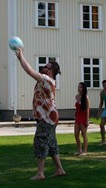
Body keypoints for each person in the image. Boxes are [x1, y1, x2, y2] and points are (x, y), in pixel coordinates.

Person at [14, 48, 66, 180]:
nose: (43, 68)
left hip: (47, 118)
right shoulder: (45, 81)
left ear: (50, 71)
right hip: (49, 117)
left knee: (40, 142)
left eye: (46, 67)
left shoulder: (46, 79)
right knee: (52, 144)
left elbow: (29, 71)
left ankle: (40, 173)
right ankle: (60, 169)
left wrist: (21, 56)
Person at [74, 82, 90, 156]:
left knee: (84, 134)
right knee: (76, 134)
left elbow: (87, 109)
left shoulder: (85, 97)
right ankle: (79, 150)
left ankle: (85, 151)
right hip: (78, 117)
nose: (79, 88)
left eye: (80, 87)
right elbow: (77, 108)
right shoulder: (76, 96)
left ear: (83, 88)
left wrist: (87, 120)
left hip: (83, 117)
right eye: (78, 86)